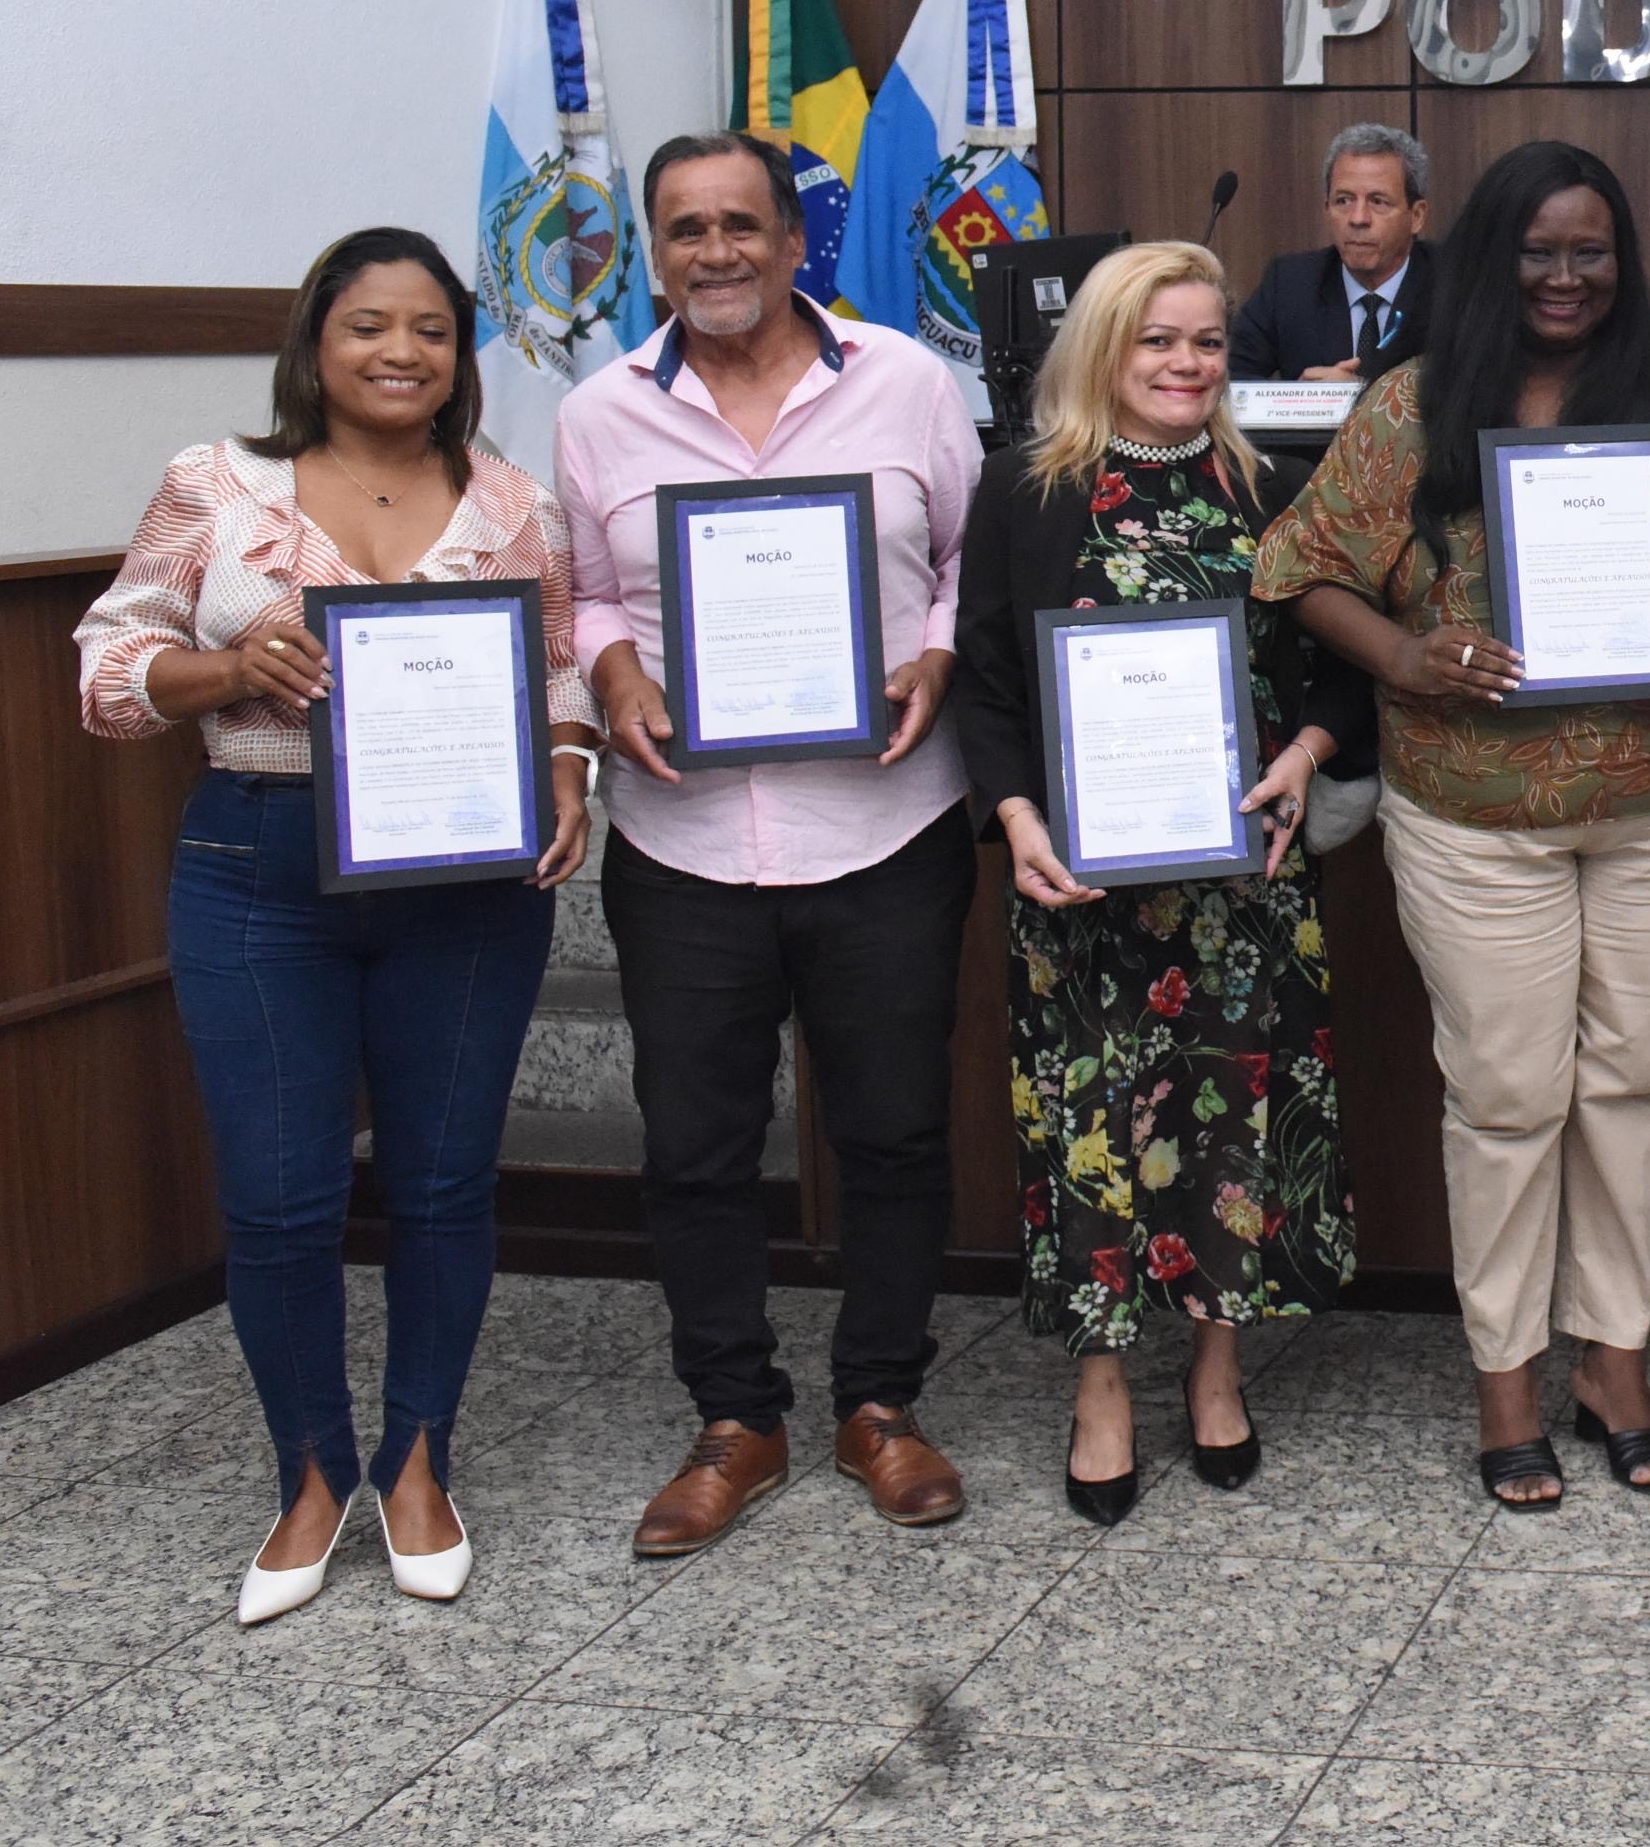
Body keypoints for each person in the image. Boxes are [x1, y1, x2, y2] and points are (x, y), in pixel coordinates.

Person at [73, 230, 596, 1624]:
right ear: (316, 342)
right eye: (369, 325)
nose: (400, 352)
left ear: (459, 356)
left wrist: (568, 772)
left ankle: (418, 1464)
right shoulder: (215, 485)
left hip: (463, 888)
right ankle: (308, 1478)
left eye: (431, 329)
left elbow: (557, 674)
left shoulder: (516, 504)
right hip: (258, 867)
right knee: (279, 1199)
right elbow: (108, 673)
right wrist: (226, 667)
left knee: (442, 1187)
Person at [1259, 142, 1650, 1506]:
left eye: (1588, 250)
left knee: (1634, 1088)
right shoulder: (1412, 404)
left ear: (1620, 259)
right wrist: (1405, 656)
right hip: (1474, 815)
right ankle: (1504, 1374)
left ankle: (1614, 1362)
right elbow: (1300, 566)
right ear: (1491, 258)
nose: (1563, 274)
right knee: (1506, 1099)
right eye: (1537, 250)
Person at [559, 132, 981, 1556]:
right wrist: (615, 671)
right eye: (685, 229)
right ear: (653, 253)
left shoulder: (907, 381)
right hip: (684, 840)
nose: (716, 251)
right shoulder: (598, 413)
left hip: (884, 825)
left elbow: (968, 560)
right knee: (694, 1146)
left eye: (742, 224)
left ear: (796, 243)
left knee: (894, 1131)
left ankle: (882, 1404)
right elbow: (588, 595)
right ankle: (736, 1416)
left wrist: (938, 655)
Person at [953, 241, 1365, 1527]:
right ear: (1102, 347)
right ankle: (1101, 1387)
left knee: (1230, 1124)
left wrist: (1303, 755)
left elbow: (1344, 668)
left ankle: (1216, 1368)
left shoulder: (1274, 487)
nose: (1186, 363)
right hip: (1080, 892)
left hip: (1240, 889)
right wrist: (1015, 815)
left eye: (1206, 341)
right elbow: (985, 679)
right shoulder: (1024, 489)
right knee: (1095, 1129)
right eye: (1157, 339)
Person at [1230, 123, 1435, 381]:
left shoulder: (1456, 286)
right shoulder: (1289, 285)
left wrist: (1355, 394)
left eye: (1378, 201)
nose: (1358, 218)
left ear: (1416, 216)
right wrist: (1298, 399)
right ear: (1327, 209)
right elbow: (1232, 380)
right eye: (1344, 200)